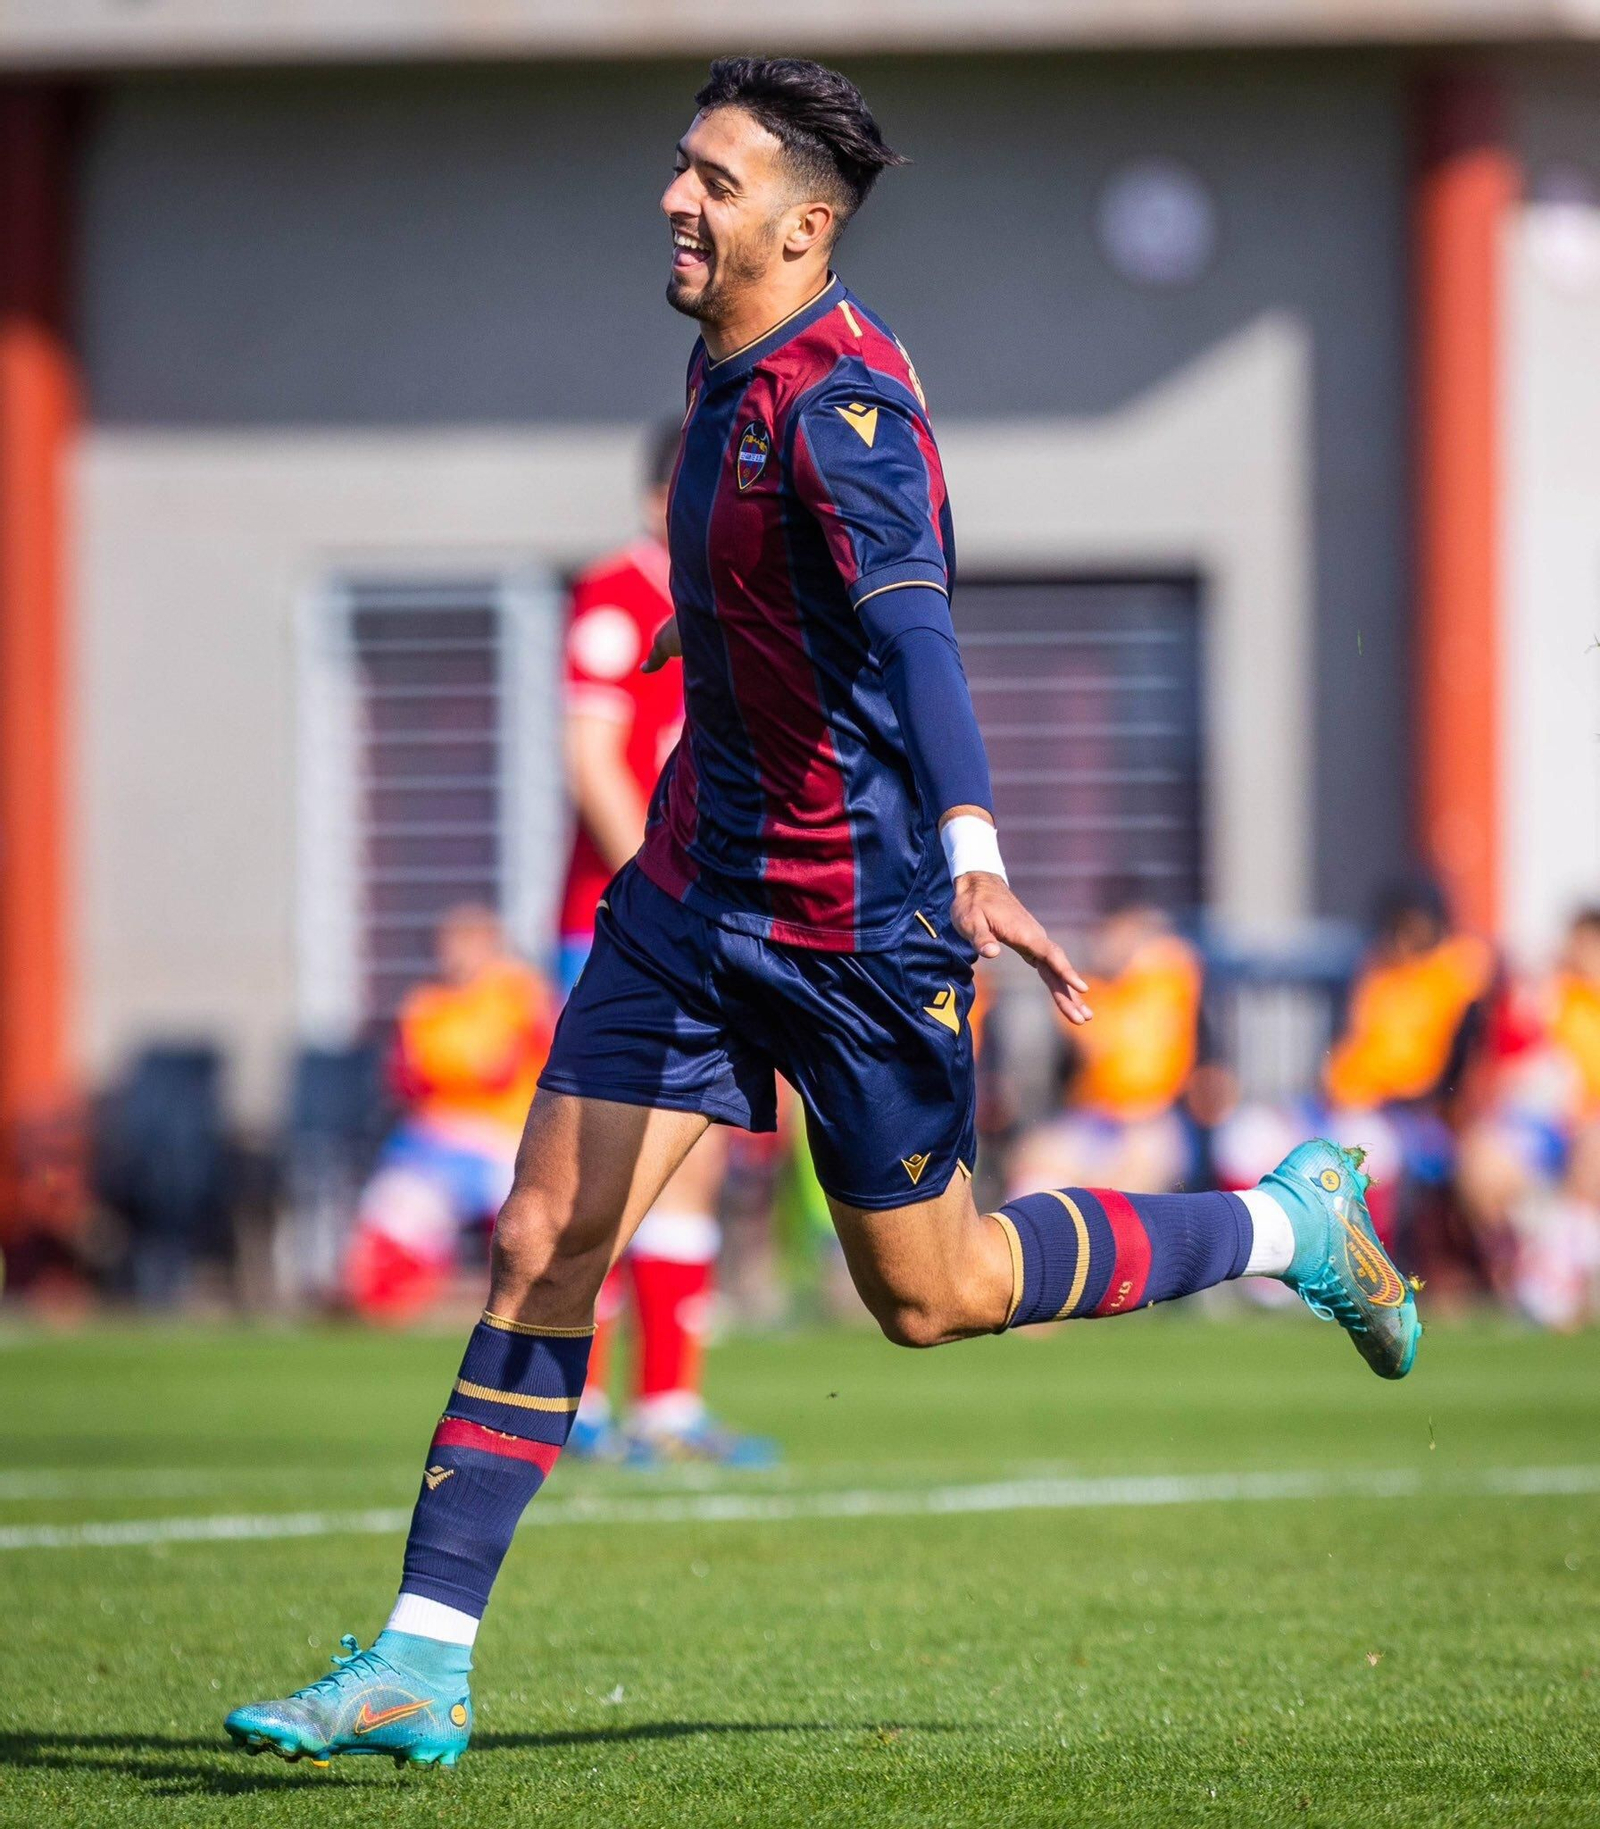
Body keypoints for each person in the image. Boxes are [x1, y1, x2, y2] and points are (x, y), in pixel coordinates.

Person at [226, 56, 1421, 1770]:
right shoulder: (722, 363)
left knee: (933, 1294)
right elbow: (770, 602)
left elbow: (922, 634)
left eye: (711, 180)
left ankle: (1293, 1226)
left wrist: (981, 846)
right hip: (689, 891)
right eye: (678, 167)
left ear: (803, 226)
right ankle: (421, 1659)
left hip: (863, 924)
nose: (674, 200)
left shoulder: (845, 412)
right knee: (540, 1235)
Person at [558, 426, 773, 1464]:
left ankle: (667, 1408)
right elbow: (592, 756)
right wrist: (655, 887)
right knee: (602, 1165)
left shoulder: (733, 600)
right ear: (661, 499)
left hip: (709, 923)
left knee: (688, 1168)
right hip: (629, 923)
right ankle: (578, 1401)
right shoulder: (619, 593)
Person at [344, 906, 554, 1323]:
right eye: (448, 944)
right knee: (390, 1217)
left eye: (465, 943)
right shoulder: (426, 1002)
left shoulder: (518, 994)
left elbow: (505, 1070)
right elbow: (405, 1079)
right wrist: (464, 1072)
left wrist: (451, 1073)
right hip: (433, 1139)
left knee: (528, 1225)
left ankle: (523, 1309)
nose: (454, 955)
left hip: (504, 1139)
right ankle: (388, 1305)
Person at [1456, 908, 1600, 1327]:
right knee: (1482, 1158)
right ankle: (1530, 1266)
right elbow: (1510, 1068)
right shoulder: (1549, 999)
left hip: (1589, 1132)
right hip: (1549, 1129)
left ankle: (1561, 1272)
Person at [1006, 894, 1202, 1200]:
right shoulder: (1084, 989)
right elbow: (1064, 1073)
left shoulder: (1166, 979)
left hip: (1152, 1119)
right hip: (1090, 1119)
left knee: (1131, 1181)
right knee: (1034, 1175)